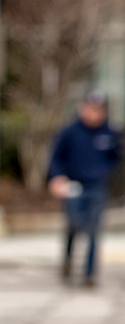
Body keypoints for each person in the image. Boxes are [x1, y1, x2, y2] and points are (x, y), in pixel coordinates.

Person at [48, 90, 121, 287]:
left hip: (97, 186)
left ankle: (90, 273)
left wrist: (105, 172)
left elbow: (116, 158)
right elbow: (55, 158)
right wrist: (57, 178)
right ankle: (68, 259)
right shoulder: (70, 132)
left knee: (94, 230)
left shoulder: (108, 133)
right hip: (73, 185)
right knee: (75, 224)